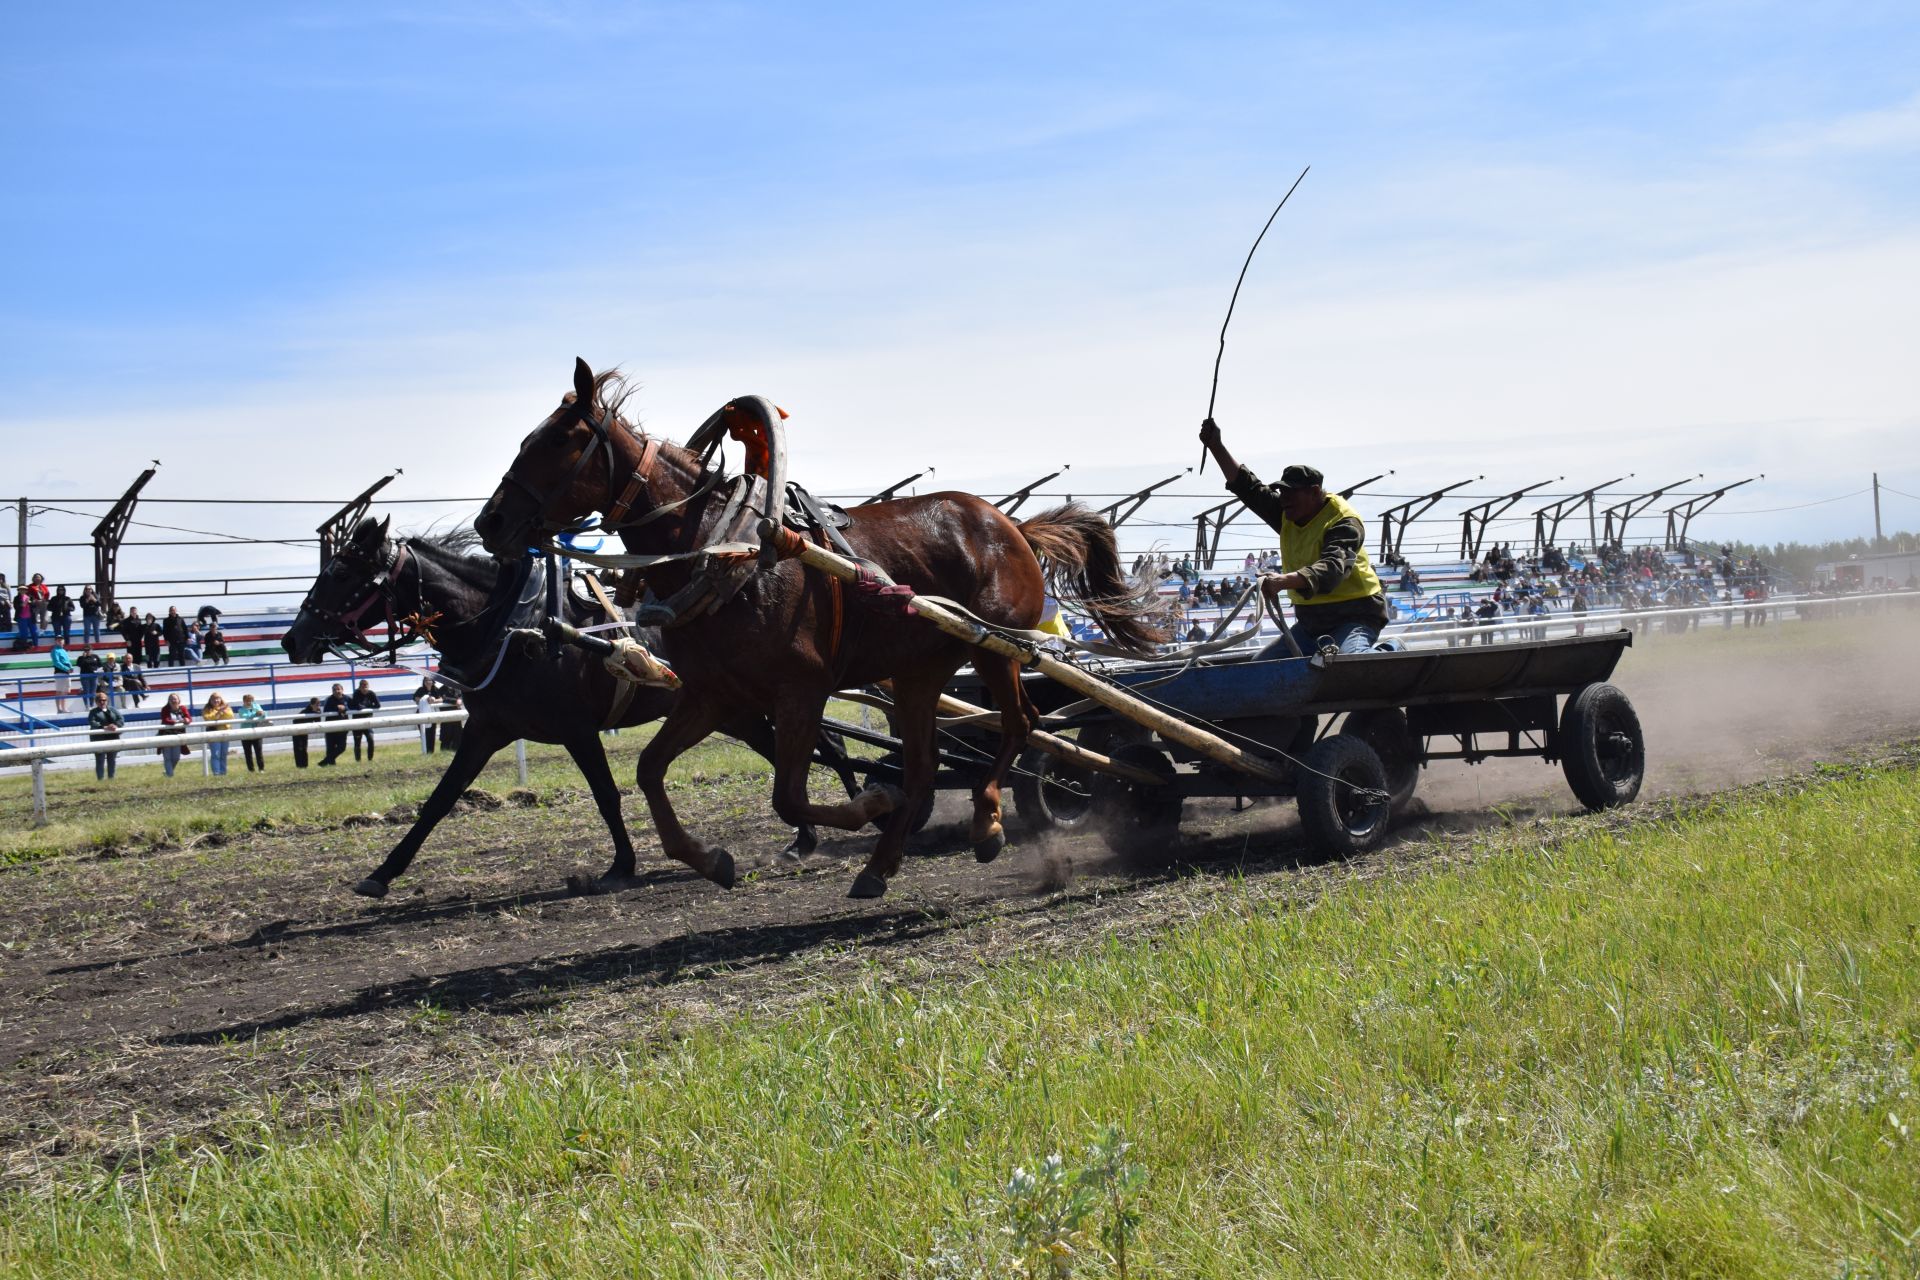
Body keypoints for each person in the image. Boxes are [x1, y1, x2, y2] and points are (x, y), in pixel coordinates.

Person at [1199, 418, 1388, 656]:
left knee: (1350, 662)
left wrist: (1282, 581)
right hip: (1311, 625)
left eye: (1291, 493)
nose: (1284, 498)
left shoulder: (1343, 522)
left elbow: (1332, 569)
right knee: (1261, 669)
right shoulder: (1287, 511)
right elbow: (1249, 488)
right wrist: (1216, 446)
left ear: (1315, 493)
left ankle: (1390, 650)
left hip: (1355, 616)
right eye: (1282, 492)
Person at [88, 691, 125, 780]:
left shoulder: (113, 709)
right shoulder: (93, 712)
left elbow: (121, 719)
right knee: (100, 759)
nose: (102, 702)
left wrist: (115, 725)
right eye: (100, 700)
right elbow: (92, 722)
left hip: (113, 737)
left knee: (112, 759)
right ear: (96, 702)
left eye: (104, 700)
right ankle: (100, 779)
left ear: (107, 701)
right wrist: (104, 727)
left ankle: (111, 778)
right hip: (99, 739)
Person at [158, 693, 192, 777]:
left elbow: (189, 718)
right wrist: (178, 721)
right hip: (166, 735)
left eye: (175, 699)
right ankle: (170, 775)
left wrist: (187, 720)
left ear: (179, 700)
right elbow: (166, 720)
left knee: (176, 757)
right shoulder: (165, 709)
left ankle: (167, 772)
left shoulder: (183, 708)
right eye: (171, 699)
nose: (173, 701)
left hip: (178, 735)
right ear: (168, 701)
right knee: (167, 757)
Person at [236, 693, 269, 772]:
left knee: (259, 751)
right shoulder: (241, 710)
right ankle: (251, 770)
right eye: (247, 700)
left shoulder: (257, 706)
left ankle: (261, 769)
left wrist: (262, 713)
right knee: (248, 753)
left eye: (251, 700)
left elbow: (264, 715)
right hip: (246, 733)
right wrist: (255, 714)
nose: (249, 702)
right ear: (243, 701)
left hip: (257, 732)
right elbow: (245, 717)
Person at [349, 678, 381, 760]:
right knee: (357, 742)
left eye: (366, 687)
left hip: (368, 720)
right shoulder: (356, 693)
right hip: (357, 721)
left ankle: (370, 759)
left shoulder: (371, 694)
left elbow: (378, 705)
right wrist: (369, 706)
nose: (364, 689)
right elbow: (358, 706)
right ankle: (358, 760)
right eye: (363, 687)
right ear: (359, 687)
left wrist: (367, 707)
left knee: (371, 740)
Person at [202, 692, 234, 775]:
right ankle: (216, 773)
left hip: (225, 733)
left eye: (218, 698)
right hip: (214, 734)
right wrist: (219, 712)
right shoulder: (207, 709)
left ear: (221, 699)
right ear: (210, 700)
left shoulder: (226, 708)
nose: (216, 700)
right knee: (216, 754)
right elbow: (209, 719)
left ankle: (223, 772)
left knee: (223, 754)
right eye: (213, 699)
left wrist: (219, 714)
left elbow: (230, 716)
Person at [319, 683, 350, 765]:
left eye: (338, 689)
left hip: (343, 727)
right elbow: (325, 710)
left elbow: (354, 706)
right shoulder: (329, 699)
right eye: (335, 690)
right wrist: (337, 708)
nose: (337, 691)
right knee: (330, 748)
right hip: (331, 727)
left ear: (342, 690)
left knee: (342, 747)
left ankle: (324, 762)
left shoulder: (347, 698)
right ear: (332, 691)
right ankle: (331, 766)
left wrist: (345, 708)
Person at [292, 696, 323, 768]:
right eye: (317, 704)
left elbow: (317, 722)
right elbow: (296, 721)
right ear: (312, 704)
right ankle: (299, 765)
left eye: (319, 704)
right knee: (298, 749)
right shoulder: (306, 711)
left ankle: (305, 765)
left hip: (305, 730)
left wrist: (318, 714)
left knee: (304, 748)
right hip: (297, 730)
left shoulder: (316, 711)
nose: (318, 706)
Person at [413, 679, 439, 754]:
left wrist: (433, 700)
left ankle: (431, 752)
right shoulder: (420, 690)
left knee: (432, 733)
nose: (428, 682)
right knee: (424, 733)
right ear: (424, 682)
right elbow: (416, 699)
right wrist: (426, 700)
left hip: (432, 714)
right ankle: (425, 751)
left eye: (430, 680)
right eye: (426, 681)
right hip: (422, 714)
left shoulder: (435, 689)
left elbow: (441, 699)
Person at [49, 639, 75, 712]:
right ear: (56, 641)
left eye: (61, 640)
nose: (60, 641)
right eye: (58, 640)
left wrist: (71, 667)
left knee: (65, 691)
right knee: (59, 691)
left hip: (66, 673)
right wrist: (67, 669)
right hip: (60, 672)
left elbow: (68, 661)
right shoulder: (55, 650)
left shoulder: (63, 650)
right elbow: (56, 662)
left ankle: (63, 708)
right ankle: (59, 709)